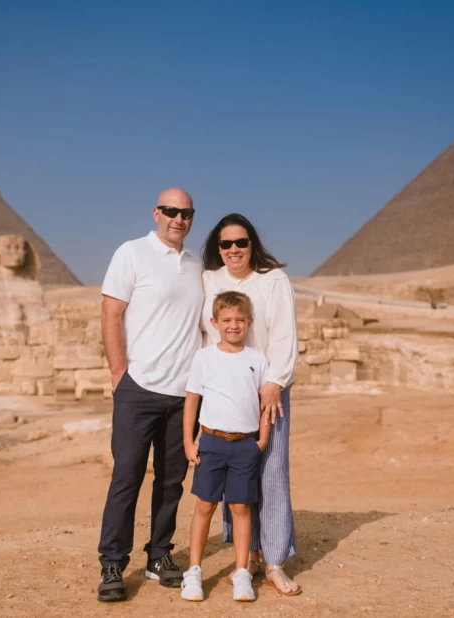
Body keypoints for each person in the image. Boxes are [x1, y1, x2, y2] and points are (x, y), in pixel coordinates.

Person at [96, 188, 204, 602]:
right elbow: (111, 311)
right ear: (156, 212)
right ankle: (112, 562)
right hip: (138, 389)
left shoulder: (196, 264)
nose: (179, 218)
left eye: (186, 213)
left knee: (172, 481)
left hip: (184, 393)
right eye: (171, 211)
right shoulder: (132, 253)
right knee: (126, 477)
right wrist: (119, 373)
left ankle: (159, 554)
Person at [200, 213, 302, 596]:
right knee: (238, 475)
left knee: (271, 472)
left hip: (268, 388)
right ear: (217, 247)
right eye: (225, 243)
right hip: (227, 391)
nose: (234, 250)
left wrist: (275, 383)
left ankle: (275, 561)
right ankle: (250, 555)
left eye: (240, 242)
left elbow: (284, 334)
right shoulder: (209, 281)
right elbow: (204, 334)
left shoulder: (273, 280)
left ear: (252, 244)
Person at [181, 291, 270, 602]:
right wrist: (188, 441)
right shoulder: (204, 357)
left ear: (250, 322)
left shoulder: (257, 359)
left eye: (240, 320)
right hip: (211, 443)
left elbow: (265, 402)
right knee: (204, 506)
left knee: (240, 508)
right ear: (214, 322)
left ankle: (242, 572)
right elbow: (192, 400)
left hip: (245, 445)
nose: (234, 325)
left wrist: (262, 440)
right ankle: (193, 571)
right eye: (227, 320)